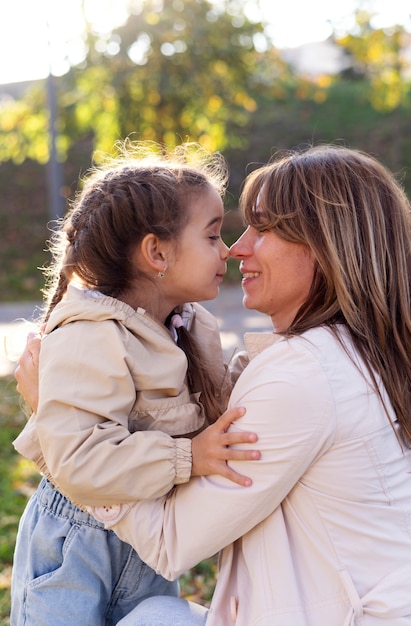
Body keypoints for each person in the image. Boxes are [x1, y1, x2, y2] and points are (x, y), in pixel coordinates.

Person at [87, 144, 411, 625]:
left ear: (325, 246)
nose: (238, 248)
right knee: (157, 616)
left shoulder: (304, 375)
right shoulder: (365, 353)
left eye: (263, 229)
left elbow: (170, 540)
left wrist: (73, 443)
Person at [10, 140, 260, 626]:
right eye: (211, 236)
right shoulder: (92, 333)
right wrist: (189, 456)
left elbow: (212, 409)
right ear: (156, 252)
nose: (227, 250)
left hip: (143, 538)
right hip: (75, 545)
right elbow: (80, 458)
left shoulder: (194, 326)